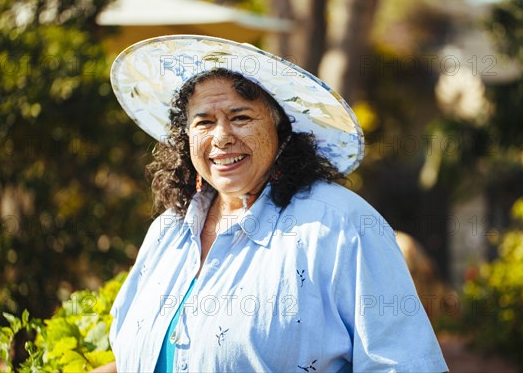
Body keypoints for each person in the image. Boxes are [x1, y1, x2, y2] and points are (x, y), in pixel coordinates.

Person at [95, 35, 448, 372]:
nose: (221, 137)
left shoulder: (340, 226)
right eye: (204, 121)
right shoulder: (167, 232)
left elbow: (403, 364)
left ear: (281, 128)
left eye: (241, 117)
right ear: (185, 136)